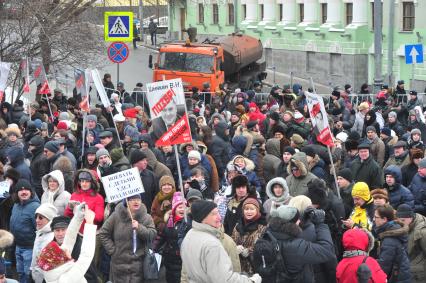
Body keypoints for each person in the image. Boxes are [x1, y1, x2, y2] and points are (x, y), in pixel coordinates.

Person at [180, 200, 261, 283]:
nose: (219, 217)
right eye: (214, 214)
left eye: (218, 212)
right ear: (202, 217)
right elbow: (225, 279)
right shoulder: (212, 244)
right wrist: (251, 281)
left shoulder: (190, 235)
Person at [253, 205, 336, 282]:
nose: (299, 221)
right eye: (298, 219)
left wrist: (305, 218)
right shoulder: (296, 246)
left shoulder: (267, 235)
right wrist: (320, 224)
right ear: (291, 224)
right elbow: (326, 250)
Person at [99, 194, 156, 283]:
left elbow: (152, 236)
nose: (136, 201)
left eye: (138, 199)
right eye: (132, 199)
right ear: (126, 202)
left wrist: (139, 228)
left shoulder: (146, 217)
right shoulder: (116, 216)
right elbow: (103, 233)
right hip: (118, 266)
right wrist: (112, 250)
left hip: (138, 267)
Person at [37, 204, 97, 283]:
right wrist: (89, 223)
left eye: (63, 230)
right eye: (62, 251)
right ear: (59, 260)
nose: (65, 248)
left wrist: (78, 216)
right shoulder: (65, 279)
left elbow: (69, 239)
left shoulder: (53, 268)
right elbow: (86, 256)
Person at [10, 179, 40, 283]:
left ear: (31, 192)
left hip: (30, 248)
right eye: (21, 190)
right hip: (18, 247)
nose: (24, 192)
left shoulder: (35, 207)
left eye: (26, 190)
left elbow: (39, 230)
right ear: (17, 193)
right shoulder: (16, 205)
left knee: (29, 275)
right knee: (20, 273)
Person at [373, 205, 411, 282]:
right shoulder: (391, 231)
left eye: (376, 217)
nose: (373, 219)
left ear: (384, 219)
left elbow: (383, 267)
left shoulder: (390, 240)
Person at [153, 192, 186, 282]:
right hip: (169, 260)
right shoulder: (168, 222)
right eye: (179, 207)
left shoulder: (188, 223)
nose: (182, 209)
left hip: (183, 261)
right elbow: (160, 237)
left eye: (184, 207)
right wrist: (153, 249)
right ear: (174, 209)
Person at [231, 198, 267, 275]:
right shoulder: (238, 225)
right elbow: (232, 240)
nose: (249, 212)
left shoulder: (263, 227)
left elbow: (265, 247)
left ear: (257, 210)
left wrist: (249, 251)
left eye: (252, 209)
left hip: (254, 268)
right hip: (237, 267)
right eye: (246, 209)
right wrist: (234, 248)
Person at [396, 204, 426, 283]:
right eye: (398, 220)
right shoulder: (405, 227)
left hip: (418, 275)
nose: (400, 223)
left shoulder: (422, 232)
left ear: (411, 218)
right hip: (407, 271)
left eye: (403, 220)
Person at [31, 204, 57, 283]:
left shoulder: (52, 237)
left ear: (50, 219)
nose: (37, 220)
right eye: (36, 217)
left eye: (41, 217)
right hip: (36, 276)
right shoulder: (41, 232)